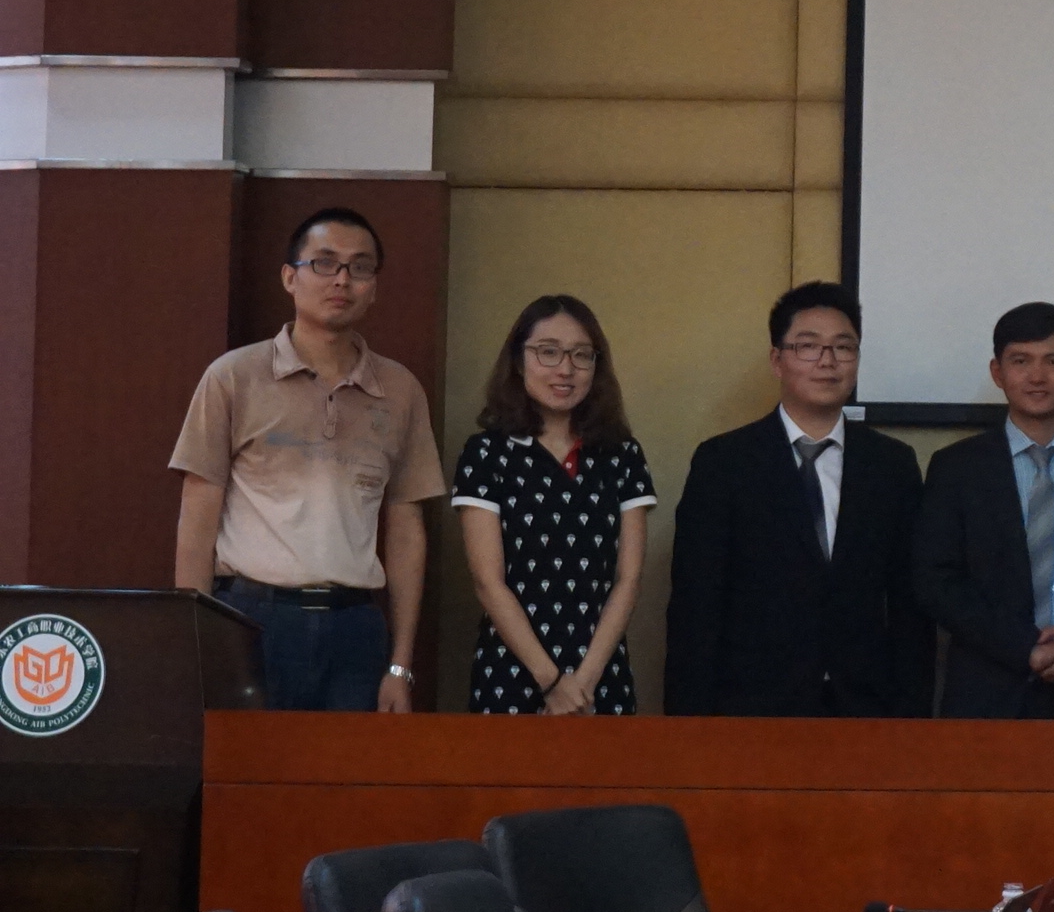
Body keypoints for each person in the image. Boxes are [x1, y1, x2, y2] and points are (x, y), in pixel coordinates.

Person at [170, 208, 442, 711]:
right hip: (250, 616)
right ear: (289, 277)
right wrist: (196, 646)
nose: (342, 279)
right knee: (248, 761)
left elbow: (407, 527)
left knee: (345, 764)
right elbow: (197, 516)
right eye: (324, 263)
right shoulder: (233, 377)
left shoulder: (400, 390)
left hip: (355, 627)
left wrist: (399, 665)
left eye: (360, 267)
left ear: (374, 287)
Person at [663, 282, 932, 716]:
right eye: (808, 346)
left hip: (866, 706)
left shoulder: (892, 464)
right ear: (777, 360)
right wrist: (688, 722)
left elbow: (909, 606)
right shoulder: (724, 462)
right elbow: (696, 604)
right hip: (750, 707)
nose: (827, 361)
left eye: (843, 347)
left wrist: (912, 714)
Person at [914, 301, 1054, 718]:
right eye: (1021, 361)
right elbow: (936, 581)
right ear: (997, 372)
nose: (1037, 376)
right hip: (987, 690)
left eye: (1053, 361)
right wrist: (1024, 648)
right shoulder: (956, 467)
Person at [449, 295, 657, 714]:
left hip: (600, 676)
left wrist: (583, 683)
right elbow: (488, 582)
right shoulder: (487, 454)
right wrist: (552, 682)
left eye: (582, 355)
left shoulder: (622, 454)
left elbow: (628, 579)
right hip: (511, 672)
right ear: (518, 360)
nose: (566, 369)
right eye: (548, 352)